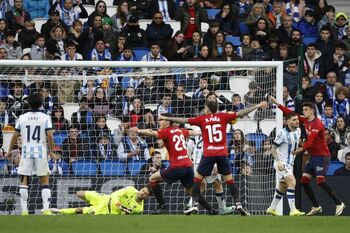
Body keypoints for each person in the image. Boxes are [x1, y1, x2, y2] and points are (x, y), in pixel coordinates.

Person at [161, 92, 268, 215]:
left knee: (197, 180)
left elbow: (183, 120)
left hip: (208, 154)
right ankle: (238, 204)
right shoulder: (223, 116)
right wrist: (258, 105)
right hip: (222, 153)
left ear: (206, 108)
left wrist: (167, 118)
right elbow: (241, 113)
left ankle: (195, 205)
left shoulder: (202, 119)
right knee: (229, 180)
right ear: (216, 107)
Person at [270, 96, 346, 216]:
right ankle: (316, 206)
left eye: (305, 109)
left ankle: (338, 203)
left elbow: (310, 142)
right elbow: (289, 113)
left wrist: (299, 150)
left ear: (312, 111)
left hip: (322, 156)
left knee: (320, 181)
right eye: (303, 109)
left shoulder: (318, 124)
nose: (303, 111)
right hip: (313, 157)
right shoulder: (305, 121)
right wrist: (276, 103)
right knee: (304, 181)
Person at [135, 113, 216, 215]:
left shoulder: (166, 131)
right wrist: (207, 131)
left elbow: (151, 132)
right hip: (188, 166)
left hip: (177, 166)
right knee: (190, 191)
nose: (159, 122)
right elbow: (193, 132)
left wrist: (138, 131)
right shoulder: (180, 130)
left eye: (161, 120)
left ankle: (162, 206)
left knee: (152, 178)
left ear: (167, 122)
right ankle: (211, 209)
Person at [6, 93, 55, 215]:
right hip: (40, 151)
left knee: (24, 180)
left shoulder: (22, 117)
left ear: (28, 103)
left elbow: (15, 135)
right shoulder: (45, 117)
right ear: (41, 104)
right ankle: (46, 209)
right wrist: (52, 151)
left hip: (26, 151)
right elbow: (49, 134)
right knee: (44, 180)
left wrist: (10, 150)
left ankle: (24, 210)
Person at [266, 112, 305, 216]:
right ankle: (293, 210)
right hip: (281, 163)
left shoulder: (298, 131)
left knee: (283, 186)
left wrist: (303, 148)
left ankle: (272, 208)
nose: (297, 121)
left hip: (290, 163)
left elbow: (295, 148)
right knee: (292, 182)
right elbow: (273, 149)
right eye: (294, 120)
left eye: (297, 119)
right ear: (287, 121)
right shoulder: (281, 133)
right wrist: (278, 161)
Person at [186, 134, 235, 215]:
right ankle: (223, 208)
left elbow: (188, 146)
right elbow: (215, 149)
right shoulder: (211, 132)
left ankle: (190, 204)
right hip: (208, 161)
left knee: (200, 185)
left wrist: (189, 159)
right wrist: (215, 164)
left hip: (196, 162)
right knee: (217, 184)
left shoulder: (195, 133)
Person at [49, 186, 152, 215]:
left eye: (145, 193)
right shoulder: (130, 189)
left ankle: (58, 212)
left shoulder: (139, 208)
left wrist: (121, 208)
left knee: (80, 210)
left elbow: (126, 213)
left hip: (105, 210)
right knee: (79, 193)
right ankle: (90, 205)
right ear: (141, 188)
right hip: (105, 198)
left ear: (147, 197)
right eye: (143, 190)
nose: (142, 193)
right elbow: (114, 195)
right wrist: (119, 204)